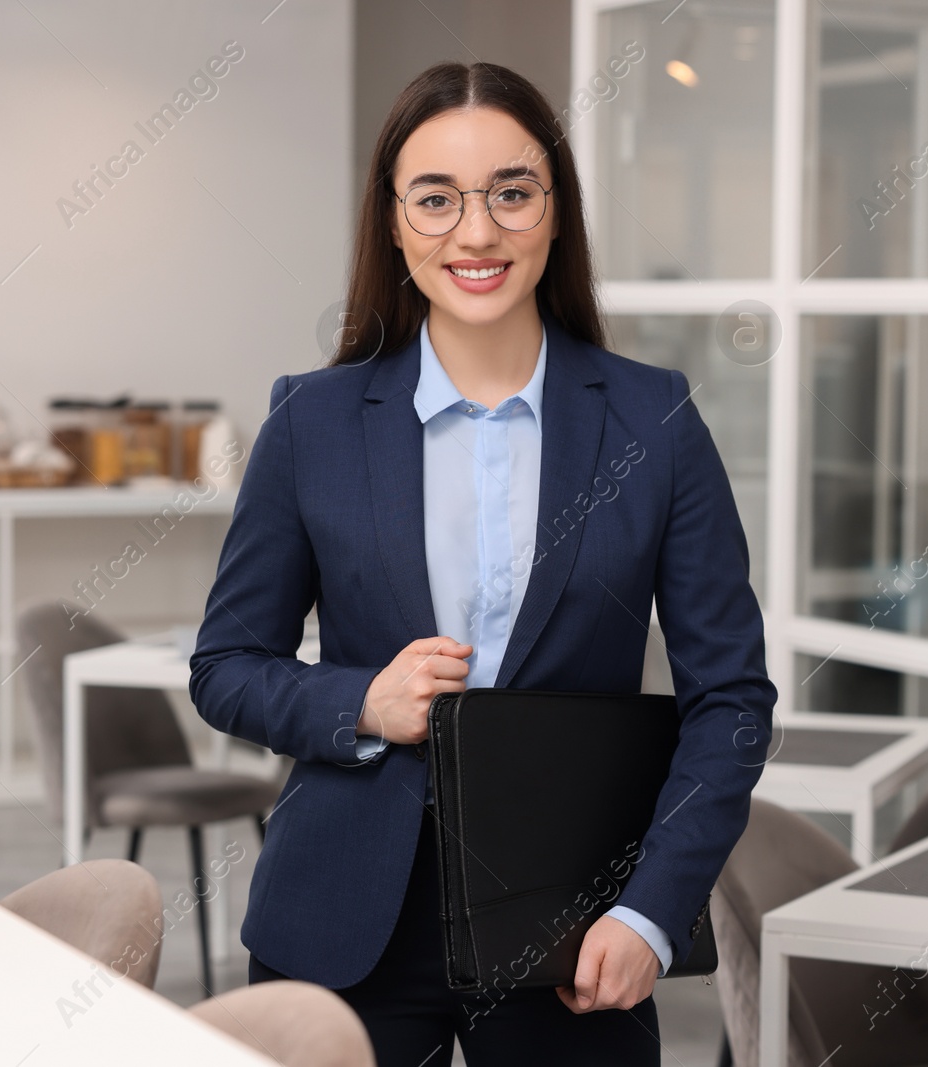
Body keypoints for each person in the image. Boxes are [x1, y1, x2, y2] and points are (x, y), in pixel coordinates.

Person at [189, 58, 776, 1066]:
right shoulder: (311, 422)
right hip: (342, 920)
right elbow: (226, 667)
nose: (476, 231)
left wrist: (651, 909)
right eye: (437, 198)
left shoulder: (656, 418)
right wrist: (361, 703)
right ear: (393, 221)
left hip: (575, 923)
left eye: (512, 192)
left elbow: (730, 698)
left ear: (555, 213)